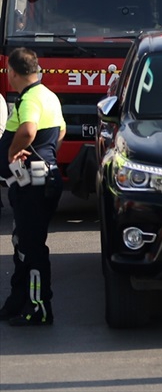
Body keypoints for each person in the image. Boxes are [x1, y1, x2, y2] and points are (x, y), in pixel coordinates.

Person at [0, 48, 65, 326]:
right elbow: (60, 130)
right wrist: (46, 153)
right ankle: (17, 301)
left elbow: (27, 130)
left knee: (33, 249)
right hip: (37, 182)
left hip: (32, 186)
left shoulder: (30, 99)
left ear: (13, 72)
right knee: (22, 245)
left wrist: (13, 152)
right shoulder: (48, 95)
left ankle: (39, 308)